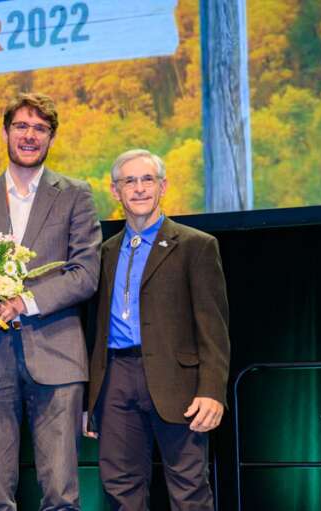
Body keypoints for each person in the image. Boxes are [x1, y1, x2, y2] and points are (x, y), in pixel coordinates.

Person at [0, 92, 102, 510]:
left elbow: (86, 274)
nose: (30, 136)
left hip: (55, 356)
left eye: (40, 128)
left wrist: (23, 302)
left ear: (51, 138)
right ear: (5, 132)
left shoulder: (75, 194)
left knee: (60, 496)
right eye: (22, 126)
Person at [86, 149, 230, 510]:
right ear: (115, 191)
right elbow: (97, 328)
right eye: (128, 181)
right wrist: (92, 398)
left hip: (177, 382)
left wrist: (212, 390)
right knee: (120, 488)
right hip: (116, 378)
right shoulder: (104, 251)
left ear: (162, 186)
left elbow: (214, 328)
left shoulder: (196, 245)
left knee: (189, 489)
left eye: (147, 179)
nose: (138, 189)